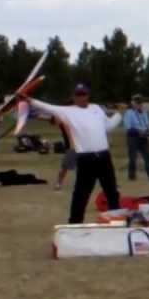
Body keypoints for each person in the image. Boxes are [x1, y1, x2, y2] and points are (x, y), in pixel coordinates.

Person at [27, 84, 123, 223]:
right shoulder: (67, 111)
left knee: (112, 191)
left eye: (83, 94)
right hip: (86, 159)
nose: (81, 97)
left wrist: (119, 114)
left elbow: (108, 126)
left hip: (104, 157)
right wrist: (30, 100)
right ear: (73, 97)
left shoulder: (96, 108)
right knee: (81, 194)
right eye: (78, 94)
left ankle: (116, 221)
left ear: (88, 95)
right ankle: (74, 224)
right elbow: (47, 107)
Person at [123, 94, 149, 181]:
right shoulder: (129, 113)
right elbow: (128, 127)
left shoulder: (144, 112)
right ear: (133, 103)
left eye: (141, 103)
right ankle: (131, 175)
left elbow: (148, 124)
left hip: (144, 137)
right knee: (133, 157)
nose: (140, 105)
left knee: (148, 157)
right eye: (137, 103)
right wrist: (138, 131)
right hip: (133, 138)